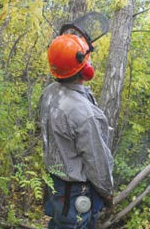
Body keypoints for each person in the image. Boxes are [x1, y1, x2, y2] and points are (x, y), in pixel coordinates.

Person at [40, 33, 114, 229]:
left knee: (57, 223)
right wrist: (107, 193)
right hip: (76, 191)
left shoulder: (49, 93)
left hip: (55, 180)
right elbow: (96, 162)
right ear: (85, 69)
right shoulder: (84, 114)